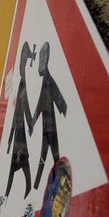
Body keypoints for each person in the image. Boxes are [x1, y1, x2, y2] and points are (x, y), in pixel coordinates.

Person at [31, 42, 68, 189]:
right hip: (47, 127)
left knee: (54, 156)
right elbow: (40, 104)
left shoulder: (49, 80)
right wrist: (32, 122)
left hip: (51, 127)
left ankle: (55, 182)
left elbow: (58, 97)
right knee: (47, 157)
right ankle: (38, 185)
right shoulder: (44, 82)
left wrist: (65, 111)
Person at [5, 42, 35, 199]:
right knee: (19, 168)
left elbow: (25, 110)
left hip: (20, 137)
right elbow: (23, 111)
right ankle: (12, 195)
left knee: (22, 169)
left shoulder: (22, 87)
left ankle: (22, 193)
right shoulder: (21, 87)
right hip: (19, 137)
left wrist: (31, 124)